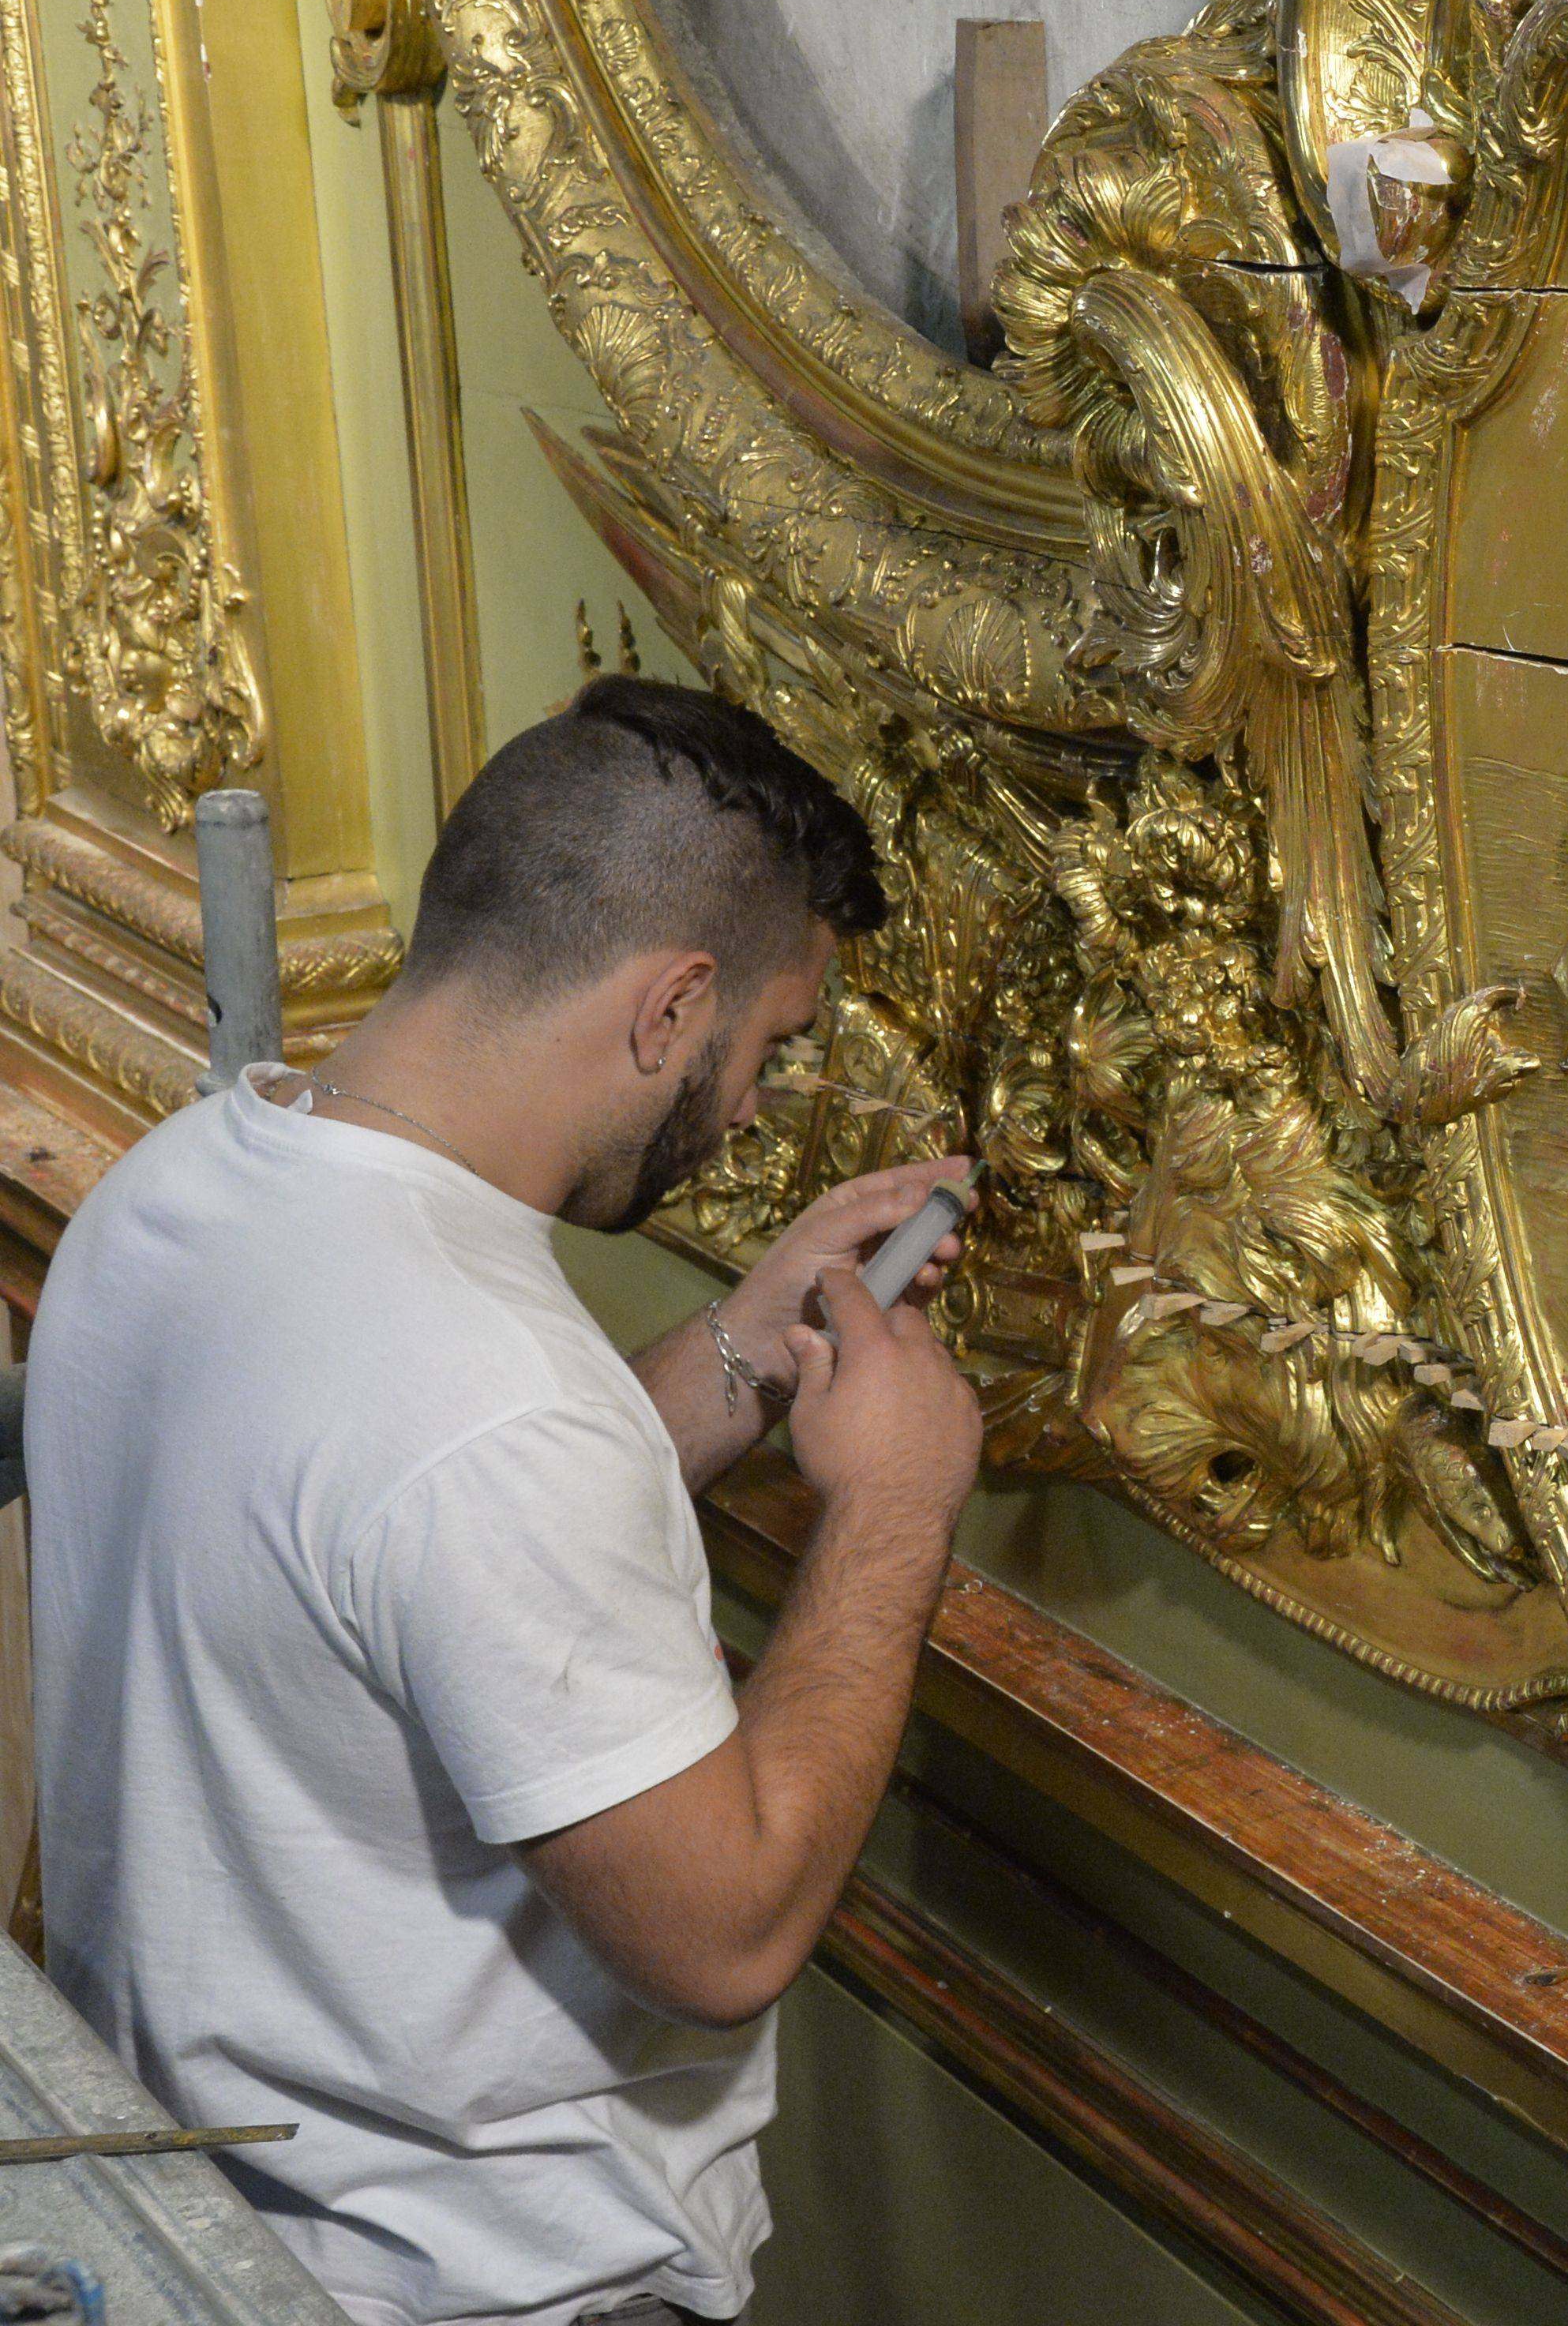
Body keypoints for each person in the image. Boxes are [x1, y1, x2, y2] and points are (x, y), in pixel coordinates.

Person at [24, 676, 986, 2326]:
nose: (750, 1106)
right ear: (671, 1006)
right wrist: (893, 1512)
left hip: (204, 2218)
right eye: (766, 1045)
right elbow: (728, 1929)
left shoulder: (187, 1181)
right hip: (472, 2286)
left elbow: (403, 1540)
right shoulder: (495, 1403)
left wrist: (746, 1341)